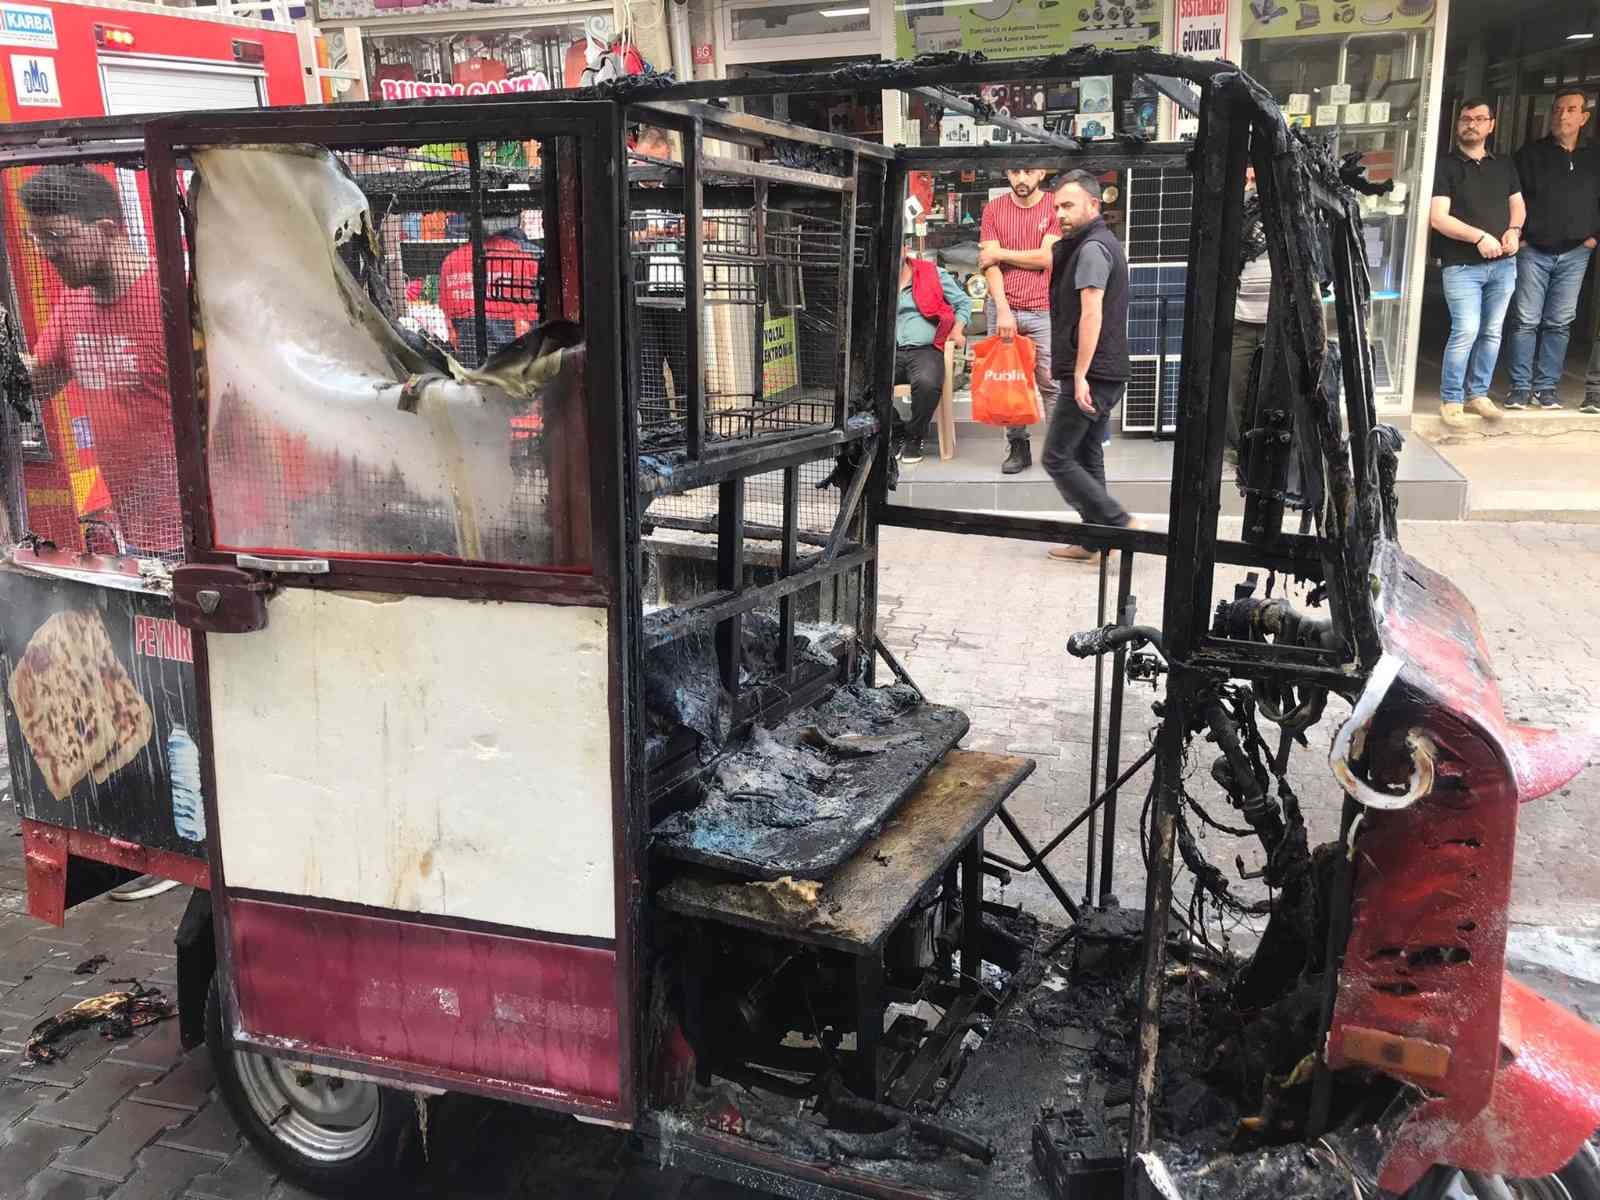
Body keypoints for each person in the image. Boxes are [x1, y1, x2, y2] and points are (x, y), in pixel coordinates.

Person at [19, 164, 180, 558]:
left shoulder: (173, 301)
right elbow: (40, 383)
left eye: (56, 236)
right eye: (37, 238)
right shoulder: (75, 302)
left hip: (197, 531)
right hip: (135, 530)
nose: (47, 253)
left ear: (108, 230)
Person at [1042, 170, 1135, 562]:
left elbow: (1091, 313)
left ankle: (1115, 523)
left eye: (1068, 205)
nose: (1060, 213)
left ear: (1093, 205)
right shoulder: (1093, 244)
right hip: (1106, 370)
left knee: (1056, 456)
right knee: (1087, 452)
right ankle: (1096, 541)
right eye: (1057, 206)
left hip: (1094, 373)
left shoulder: (1093, 248)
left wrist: (1079, 375)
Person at [1428, 97, 1522, 431]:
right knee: (1466, 330)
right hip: (1461, 265)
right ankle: (1452, 398)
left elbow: (1518, 206)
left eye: (1480, 119)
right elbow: (1438, 218)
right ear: (1458, 124)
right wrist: (1480, 237)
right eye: (1466, 118)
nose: (1472, 124)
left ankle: (1478, 394)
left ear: (1491, 125)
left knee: (1492, 331)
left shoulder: (1504, 165)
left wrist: (1514, 230)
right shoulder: (1445, 166)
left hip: (1504, 265)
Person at [1504, 89, 1600, 410]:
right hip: (1533, 250)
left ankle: (1546, 388)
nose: (1563, 115)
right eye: (1558, 109)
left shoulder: (1594, 157)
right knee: (1525, 320)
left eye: (1571, 109)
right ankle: (1519, 387)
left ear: (1584, 117)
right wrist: (1521, 237)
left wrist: (1593, 238)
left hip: (1576, 252)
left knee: (1559, 322)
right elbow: (1511, 197)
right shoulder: (1530, 154)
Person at [978, 167, 1060, 474]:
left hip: (1043, 308)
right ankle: (1018, 447)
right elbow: (989, 264)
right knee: (1010, 380)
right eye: (1014, 172)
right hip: (1003, 306)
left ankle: (1056, 452)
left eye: (1028, 172)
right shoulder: (994, 210)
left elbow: (1046, 258)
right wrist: (1002, 310)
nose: (1020, 179)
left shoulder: (1053, 205)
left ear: (1041, 172)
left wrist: (1002, 253)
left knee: (1050, 383)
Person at [895, 239, 970, 464]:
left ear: (905, 249)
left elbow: (963, 303)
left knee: (927, 383)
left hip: (926, 350)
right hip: (890, 352)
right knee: (861, 385)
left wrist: (957, 329)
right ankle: (896, 431)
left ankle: (914, 437)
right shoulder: (879, 279)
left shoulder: (931, 273)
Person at [1229, 166, 1271, 465]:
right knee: (1237, 391)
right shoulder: (1235, 220)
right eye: (1248, 180)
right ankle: (1240, 450)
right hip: (1241, 321)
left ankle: (1268, 450)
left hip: (1277, 323)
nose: (1252, 187)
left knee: (1272, 391)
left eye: (1258, 180)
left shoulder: (1286, 217)